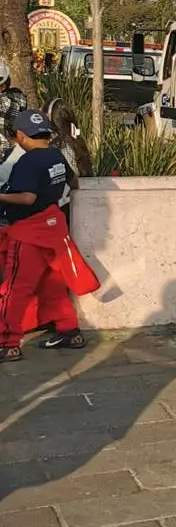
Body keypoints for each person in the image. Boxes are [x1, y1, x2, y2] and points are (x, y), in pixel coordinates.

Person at [0, 110, 90, 360]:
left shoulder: (28, 161)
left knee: (14, 289)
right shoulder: (55, 155)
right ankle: (70, 332)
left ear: (20, 135)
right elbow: (75, 184)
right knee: (52, 285)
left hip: (29, 232)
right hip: (52, 229)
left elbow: (27, 198)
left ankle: (7, 343)